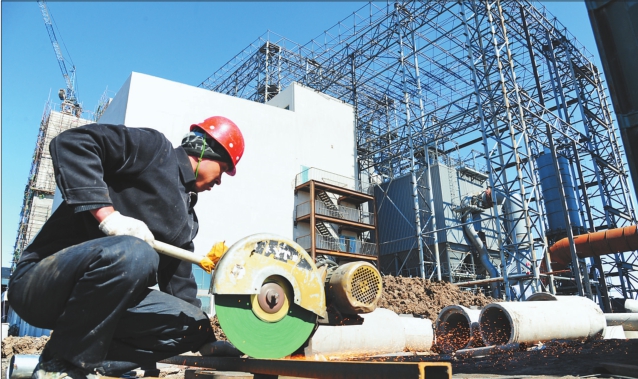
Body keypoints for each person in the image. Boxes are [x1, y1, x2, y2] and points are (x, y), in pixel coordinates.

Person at [8, 116, 245, 378]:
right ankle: (60, 365)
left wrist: (204, 340)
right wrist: (108, 217)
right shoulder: (155, 151)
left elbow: (180, 285)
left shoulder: (187, 219)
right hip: (42, 283)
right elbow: (73, 143)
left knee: (192, 324)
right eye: (223, 170)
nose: (220, 181)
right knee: (136, 254)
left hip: (98, 307)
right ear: (204, 151)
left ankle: (87, 367)